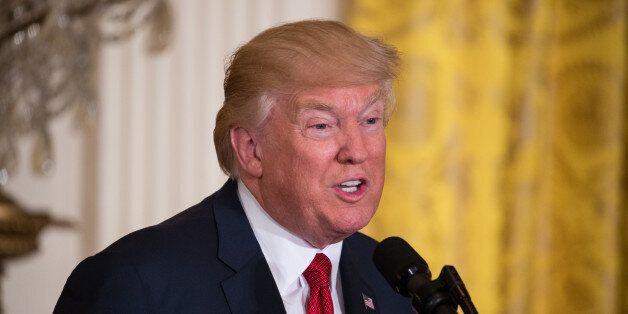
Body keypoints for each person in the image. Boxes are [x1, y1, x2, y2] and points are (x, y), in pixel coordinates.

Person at [55, 20, 413, 313]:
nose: (357, 151)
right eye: (322, 125)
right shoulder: (139, 284)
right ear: (251, 149)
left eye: (370, 121)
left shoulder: (397, 285)